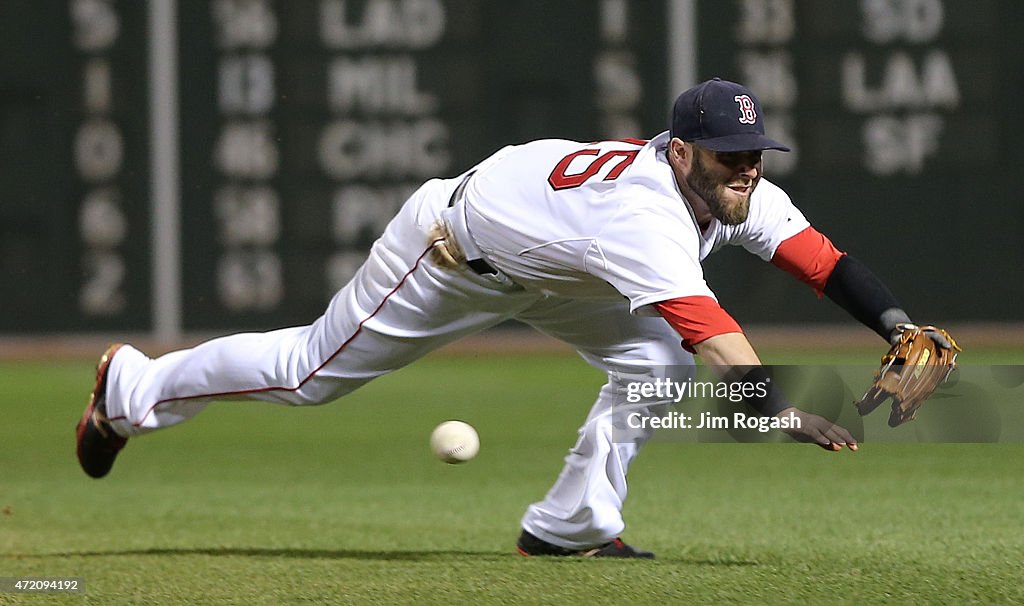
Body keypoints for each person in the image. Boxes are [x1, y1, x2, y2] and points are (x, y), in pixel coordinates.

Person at [78, 78, 934, 559]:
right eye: (725, 155)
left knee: (656, 366)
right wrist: (780, 412)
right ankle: (132, 386)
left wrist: (898, 325)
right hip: (451, 254)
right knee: (308, 375)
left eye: (754, 155)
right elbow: (720, 345)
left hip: (563, 272)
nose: (745, 170)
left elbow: (823, 262)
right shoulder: (645, 217)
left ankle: (572, 526)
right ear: (679, 151)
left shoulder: (731, 188)